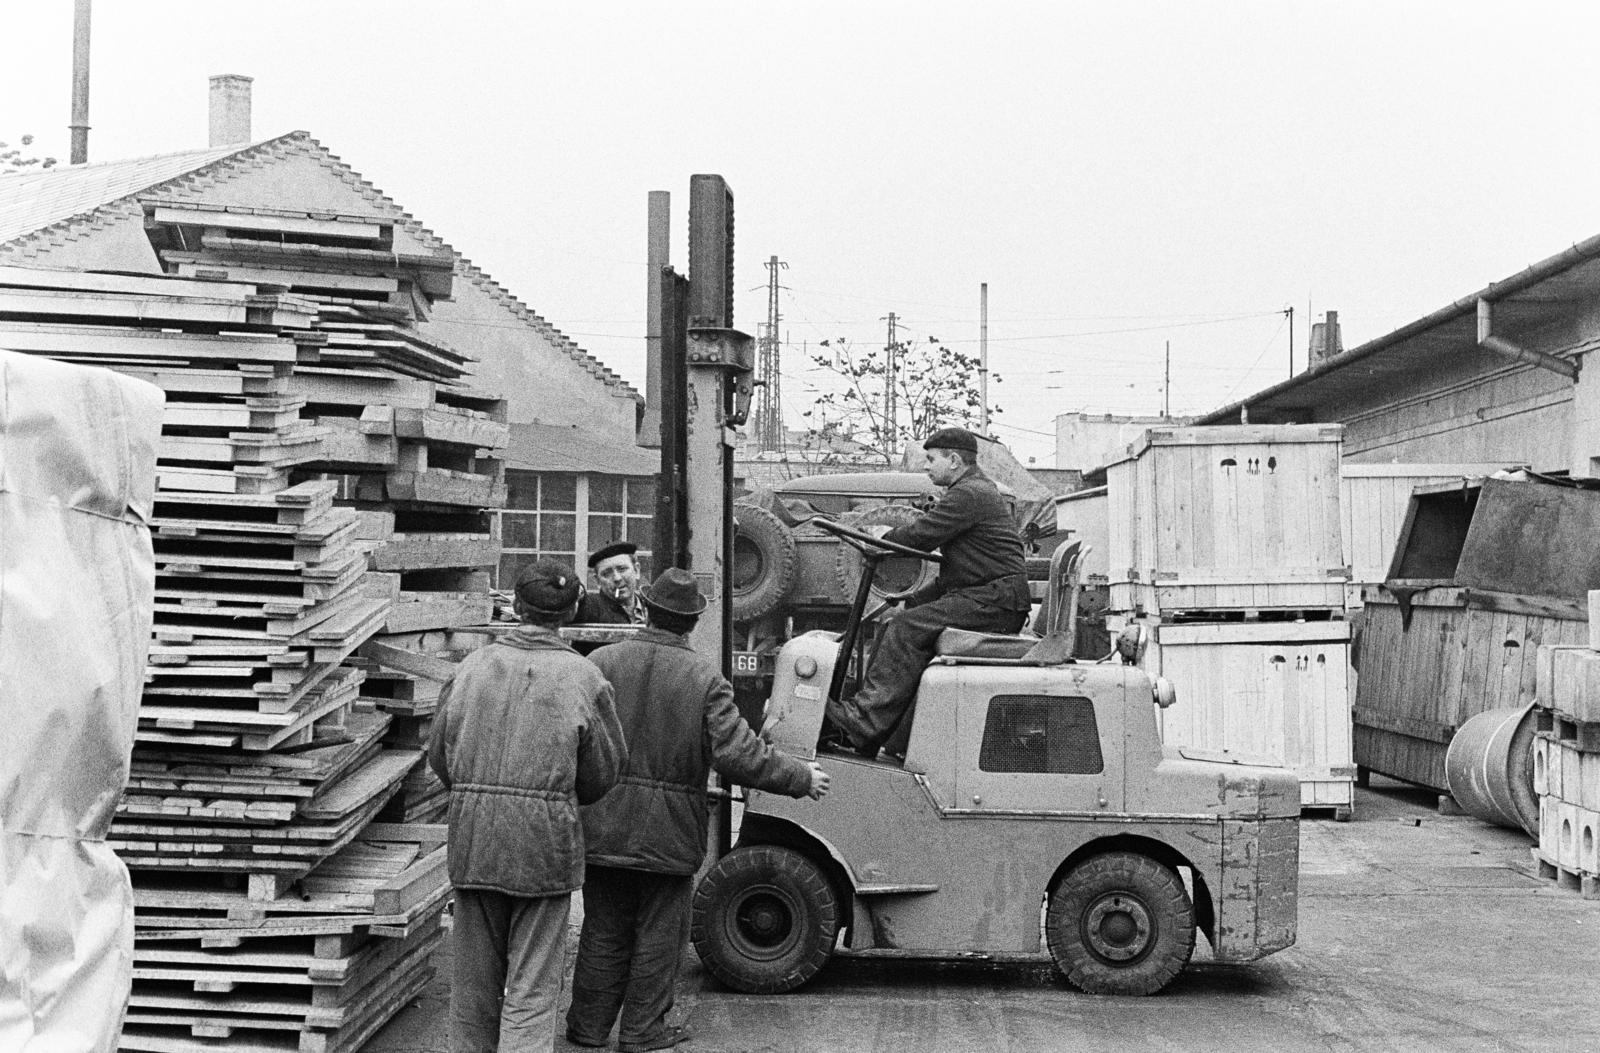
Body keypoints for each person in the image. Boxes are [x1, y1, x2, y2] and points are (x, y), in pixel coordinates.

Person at [565, 568, 831, 1053]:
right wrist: (800, 777)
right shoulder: (705, 677)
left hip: (602, 822)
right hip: (667, 833)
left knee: (603, 931)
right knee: (659, 939)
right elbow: (737, 755)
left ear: (646, 608)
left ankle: (587, 1028)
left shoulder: (600, 661)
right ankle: (643, 1032)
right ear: (692, 623)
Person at [426, 559, 627, 1053]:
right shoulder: (585, 678)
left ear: (515, 607)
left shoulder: (470, 669)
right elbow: (603, 775)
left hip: (474, 843)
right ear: (575, 609)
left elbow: (440, 757)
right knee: (533, 992)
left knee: (473, 990)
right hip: (544, 849)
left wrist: (478, 790)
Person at [825, 426, 1031, 759]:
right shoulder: (973, 491)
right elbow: (962, 568)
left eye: (931, 459)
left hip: (994, 601)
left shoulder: (970, 494)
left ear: (953, 460)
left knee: (905, 629)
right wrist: (909, 599)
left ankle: (861, 723)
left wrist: (885, 534)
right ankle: (880, 733)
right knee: (900, 618)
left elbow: (922, 535)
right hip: (990, 595)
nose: (925, 466)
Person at [575, 540, 645, 625]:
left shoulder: (651, 608)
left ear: (636, 570)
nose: (617, 578)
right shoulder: (593, 608)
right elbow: (582, 607)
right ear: (597, 581)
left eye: (622, 569)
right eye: (607, 574)